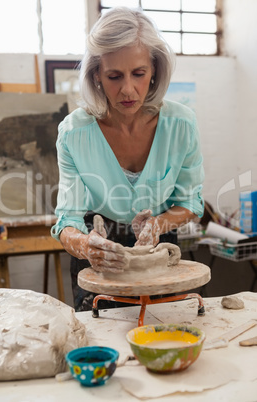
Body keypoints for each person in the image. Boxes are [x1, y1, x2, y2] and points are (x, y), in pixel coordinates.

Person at [51, 7, 205, 311]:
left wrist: (158, 224)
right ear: (96, 74)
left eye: (138, 74)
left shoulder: (181, 125)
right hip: (98, 246)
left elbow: (191, 202)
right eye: (114, 76)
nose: (128, 90)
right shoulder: (74, 133)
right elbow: (67, 220)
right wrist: (85, 245)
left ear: (155, 71)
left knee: (168, 336)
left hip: (157, 249)